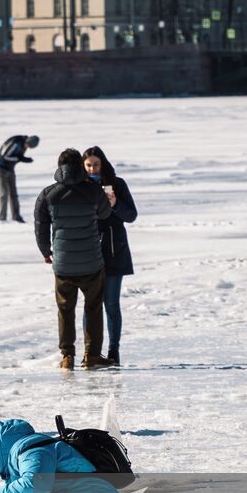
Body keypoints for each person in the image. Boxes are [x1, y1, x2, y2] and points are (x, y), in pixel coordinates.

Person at [34, 149, 113, 370]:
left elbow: (40, 226)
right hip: (92, 262)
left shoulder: (48, 194)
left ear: (59, 167)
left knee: (65, 310)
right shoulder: (93, 191)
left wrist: (45, 251)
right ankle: (92, 355)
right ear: (80, 166)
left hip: (63, 263)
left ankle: (67, 355)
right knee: (93, 308)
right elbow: (105, 214)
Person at [82, 146, 138, 366]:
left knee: (111, 304)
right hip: (89, 252)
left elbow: (131, 215)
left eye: (96, 164)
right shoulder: (81, 186)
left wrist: (114, 205)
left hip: (115, 251)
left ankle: (113, 350)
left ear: (102, 164)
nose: (93, 169)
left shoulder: (117, 184)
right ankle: (91, 351)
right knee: (91, 305)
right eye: (88, 165)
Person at [0, 134, 40, 223]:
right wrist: (20, 158)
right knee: (4, 194)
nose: (28, 147)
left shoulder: (24, 144)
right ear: (27, 141)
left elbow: (16, 156)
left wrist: (22, 158)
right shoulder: (16, 143)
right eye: (28, 145)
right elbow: (4, 156)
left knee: (13, 194)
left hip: (10, 169)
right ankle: (2, 218)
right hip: (0, 168)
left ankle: (16, 217)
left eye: (30, 147)